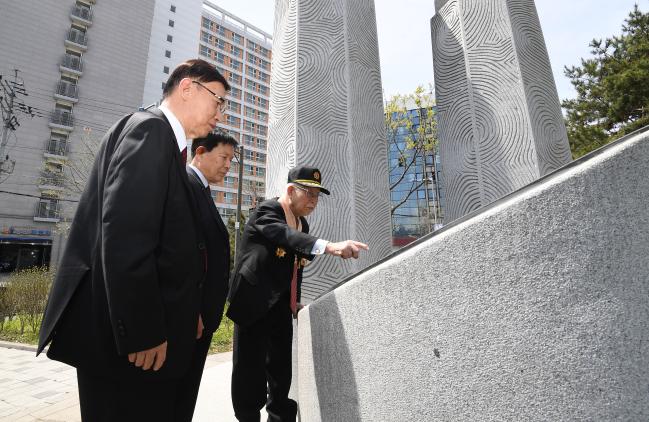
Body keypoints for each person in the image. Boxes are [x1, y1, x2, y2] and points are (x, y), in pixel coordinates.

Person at [37, 58, 230, 422]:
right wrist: (142, 332)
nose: (220, 114)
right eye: (218, 100)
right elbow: (126, 236)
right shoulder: (151, 131)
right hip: (129, 350)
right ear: (187, 88)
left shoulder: (160, 139)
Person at [227, 165, 369, 422]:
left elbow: (295, 266)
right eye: (309, 193)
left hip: (281, 306)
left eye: (318, 196)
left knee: (281, 372)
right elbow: (285, 237)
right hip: (254, 302)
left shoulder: (302, 223)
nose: (314, 201)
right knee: (250, 373)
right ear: (291, 190)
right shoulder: (267, 211)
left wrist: (294, 300)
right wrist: (330, 247)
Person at [183, 131, 237, 414]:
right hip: (192, 319)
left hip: (202, 319)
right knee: (177, 396)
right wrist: (192, 312)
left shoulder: (201, 189)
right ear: (201, 152)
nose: (228, 166)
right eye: (224, 157)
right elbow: (186, 257)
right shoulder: (187, 186)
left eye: (231, 160)